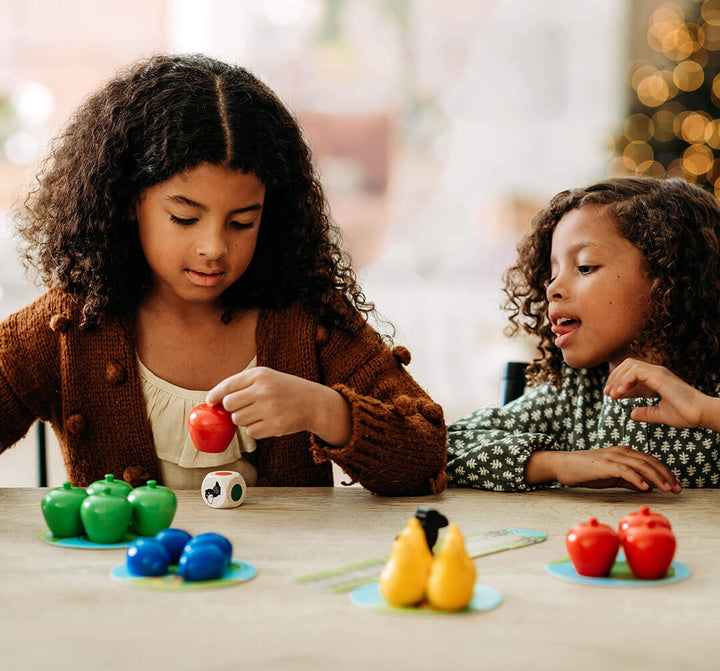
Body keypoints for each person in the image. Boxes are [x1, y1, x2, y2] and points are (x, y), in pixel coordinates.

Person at [1, 53, 446, 497]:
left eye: (241, 223)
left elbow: (426, 455)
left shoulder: (306, 318)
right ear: (128, 203)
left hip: (286, 568)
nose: (214, 248)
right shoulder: (70, 324)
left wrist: (325, 411)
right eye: (184, 218)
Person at [447, 176, 720, 492]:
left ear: (670, 275)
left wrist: (705, 411)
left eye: (585, 267)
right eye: (552, 274)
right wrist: (556, 464)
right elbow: (438, 446)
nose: (553, 289)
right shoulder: (571, 397)